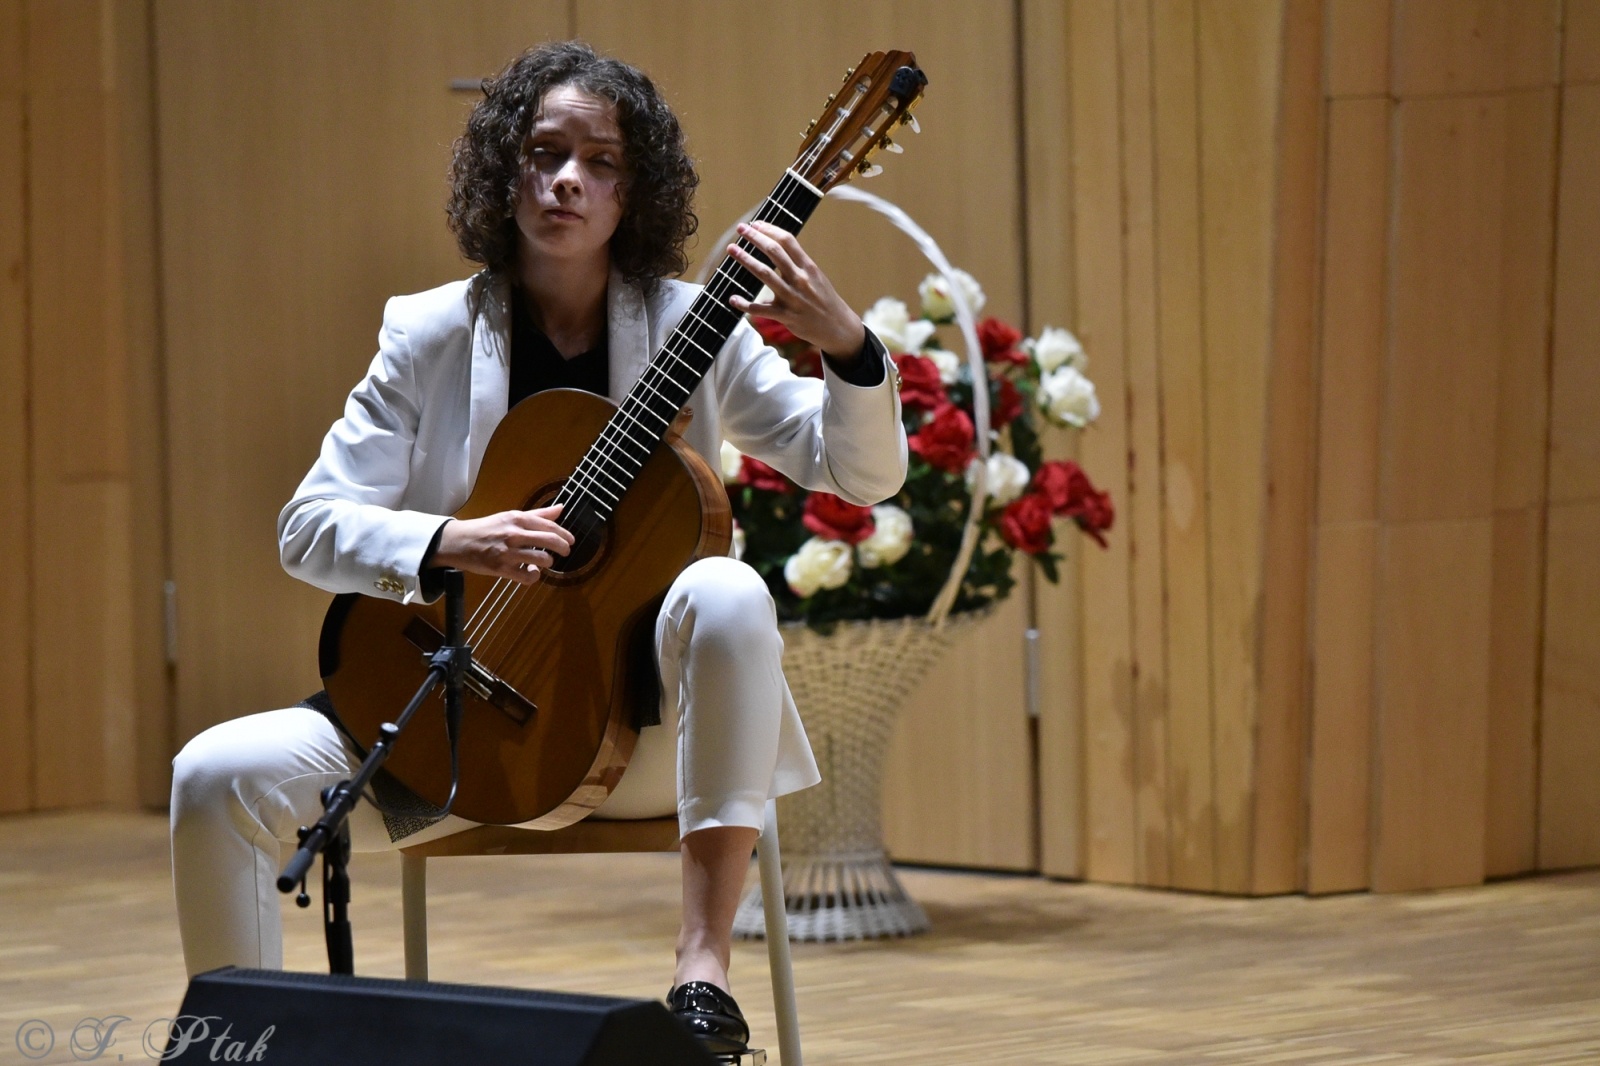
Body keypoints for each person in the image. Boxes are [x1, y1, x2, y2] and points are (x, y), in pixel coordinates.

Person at [168, 40, 906, 1059]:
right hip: (455, 723)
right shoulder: (427, 332)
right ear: (499, 168)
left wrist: (847, 348)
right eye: (543, 151)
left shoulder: (700, 325)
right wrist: (448, 538)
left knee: (728, 591)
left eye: (599, 162)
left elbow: (860, 475)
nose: (565, 180)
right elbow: (307, 526)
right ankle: (231, 1050)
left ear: (633, 191)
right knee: (214, 774)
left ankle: (702, 970)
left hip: (637, 744)